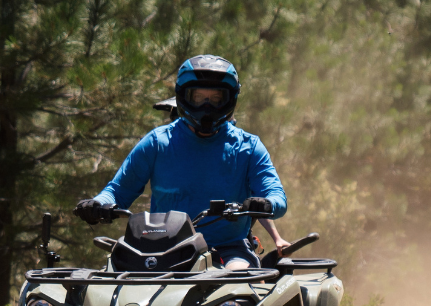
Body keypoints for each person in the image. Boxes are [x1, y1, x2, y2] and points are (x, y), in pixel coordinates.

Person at [73, 55, 288, 269]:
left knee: (238, 280)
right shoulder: (157, 142)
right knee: (111, 285)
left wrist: (266, 204)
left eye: (215, 98)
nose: (206, 106)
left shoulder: (248, 147)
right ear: (183, 96)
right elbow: (118, 191)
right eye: (198, 97)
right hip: (158, 252)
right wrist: (98, 204)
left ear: (230, 99)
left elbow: (277, 196)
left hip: (227, 252)